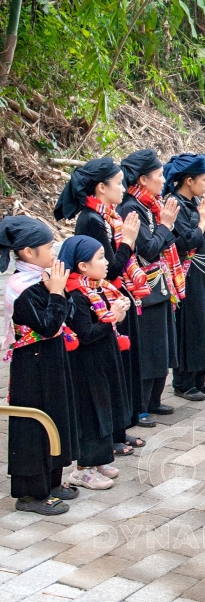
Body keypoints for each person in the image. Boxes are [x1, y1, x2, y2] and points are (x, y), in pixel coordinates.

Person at [53, 157, 149, 436]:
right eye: (118, 184)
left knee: (120, 364)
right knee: (109, 368)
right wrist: (129, 242)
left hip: (113, 296)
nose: (123, 189)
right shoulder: (92, 220)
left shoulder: (108, 216)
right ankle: (113, 432)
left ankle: (121, 427)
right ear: (100, 188)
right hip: (98, 302)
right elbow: (109, 270)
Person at [2, 217, 79, 514]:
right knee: (34, 422)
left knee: (57, 416)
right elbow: (48, 326)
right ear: (28, 253)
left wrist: (59, 290)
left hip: (51, 358)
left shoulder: (43, 278)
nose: (53, 253)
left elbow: (65, 315)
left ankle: (53, 481)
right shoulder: (20, 287)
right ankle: (31, 493)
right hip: (31, 365)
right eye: (49, 247)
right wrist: (56, 292)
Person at [61, 235, 132, 492]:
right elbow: (86, 334)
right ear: (82, 266)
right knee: (92, 412)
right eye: (100, 257)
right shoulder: (77, 295)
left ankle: (99, 460)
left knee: (106, 407)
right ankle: (83, 469)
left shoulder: (97, 287)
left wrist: (117, 312)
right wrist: (113, 317)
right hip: (87, 365)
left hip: (104, 358)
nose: (106, 263)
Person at [118, 149, 182, 417]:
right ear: (143, 180)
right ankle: (141, 406)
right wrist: (166, 225)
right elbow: (148, 248)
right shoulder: (131, 208)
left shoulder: (150, 204)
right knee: (148, 348)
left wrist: (166, 225)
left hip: (160, 284)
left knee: (162, 345)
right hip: (143, 288)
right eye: (158, 175)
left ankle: (154, 400)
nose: (163, 179)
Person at [165, 154, 205, 401]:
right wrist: (202, 223)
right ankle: (183, 381)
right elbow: (185, 241)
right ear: (188, 181)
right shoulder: (174, 205)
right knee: (191, 326)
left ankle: (200, 377)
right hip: (187, 276)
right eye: (203, 180)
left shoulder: (198, 200)